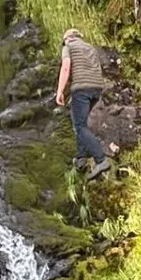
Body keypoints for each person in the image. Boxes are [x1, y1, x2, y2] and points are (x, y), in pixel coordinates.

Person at [55, 28, 112, 177]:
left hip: (82, 88)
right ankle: (81, 158)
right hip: (96, 89)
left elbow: (66, 66)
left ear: (67, 39)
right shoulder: (90, 48)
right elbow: (97, 68)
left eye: (63, 40)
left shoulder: (68, 47)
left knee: (79, 126)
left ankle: (101, 160)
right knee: (80, 123)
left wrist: (60, 91)